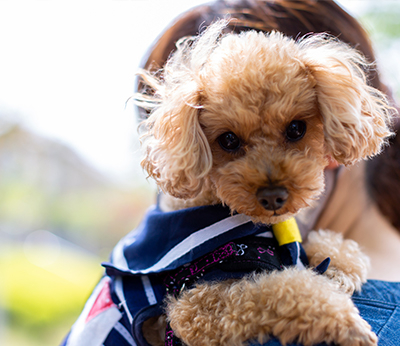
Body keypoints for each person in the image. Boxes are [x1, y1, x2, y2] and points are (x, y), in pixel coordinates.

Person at [62, 1, 400, 345]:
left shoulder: (258, 233)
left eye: (295, 131)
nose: (270, 181)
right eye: (229, 141)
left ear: (332, 131)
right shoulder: (200, 231)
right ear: (198, 147)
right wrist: (311, 301)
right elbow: (195, 314)